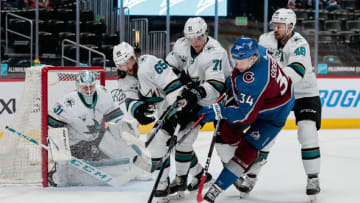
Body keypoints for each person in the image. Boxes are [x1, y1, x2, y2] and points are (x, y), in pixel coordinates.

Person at [234, 8, 322, 201]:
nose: (276, 29)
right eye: (274, 25)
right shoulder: (265, 40)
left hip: (303, 93)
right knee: (266, 135)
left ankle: (313, 177)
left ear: (291, 26)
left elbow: (296, 72)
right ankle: (251, 176)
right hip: (279, 94)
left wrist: (269, 84)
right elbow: (255, 64)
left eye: (280, 26)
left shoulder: (300, 44)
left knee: (307, 131)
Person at [198, 36, 295, 203]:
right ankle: (248, 161)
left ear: (253, 57)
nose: (237, 64)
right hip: (266, 99)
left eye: (241, 61)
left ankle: (218, 187)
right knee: (227, 134)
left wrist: (219, 110)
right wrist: (232, 84)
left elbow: (244, 116)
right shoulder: (259, 50)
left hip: (273, 115)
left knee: (247, 149)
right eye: (235, 59)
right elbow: (241, 84)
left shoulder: (253, 81)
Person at [113, 41, 212, 203]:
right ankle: (200, 175)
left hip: (185, 100)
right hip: (165, 107)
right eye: (122, 65)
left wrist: (179, 109)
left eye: (129, 61)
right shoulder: (124, 78)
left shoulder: (148, 63)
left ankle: (164, 184)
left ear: (134, 56)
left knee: (171, 142)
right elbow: (130, 99)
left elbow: (172, 85)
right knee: (173, 142)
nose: (127, 67)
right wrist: (138, 109)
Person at [165, 16, 232, 198]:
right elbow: (169, 68)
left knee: (225, 145)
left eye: (198, 37)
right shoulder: (181, 45)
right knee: (182, 138)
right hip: (194, 98)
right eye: (191, 38)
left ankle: (241, 173)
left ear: (206, 33)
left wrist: (193, 94)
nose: (195, 42)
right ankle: (183, 178)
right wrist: (178, 76)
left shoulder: (215, 52)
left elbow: (215, 86)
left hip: (217, 101)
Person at [47, 70, 138, 186]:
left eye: (91, 86)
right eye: (85, 87)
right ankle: (57, 173)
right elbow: (53, 127)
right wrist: (61, 154)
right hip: (76, 144)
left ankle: (141, 168)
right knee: (65, 180)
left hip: (98, 137)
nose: (89, 90)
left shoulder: (103, 94)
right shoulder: (67, 103)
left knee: (123, 146)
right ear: (78, 87)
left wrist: (125, 129)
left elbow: (115, 117)